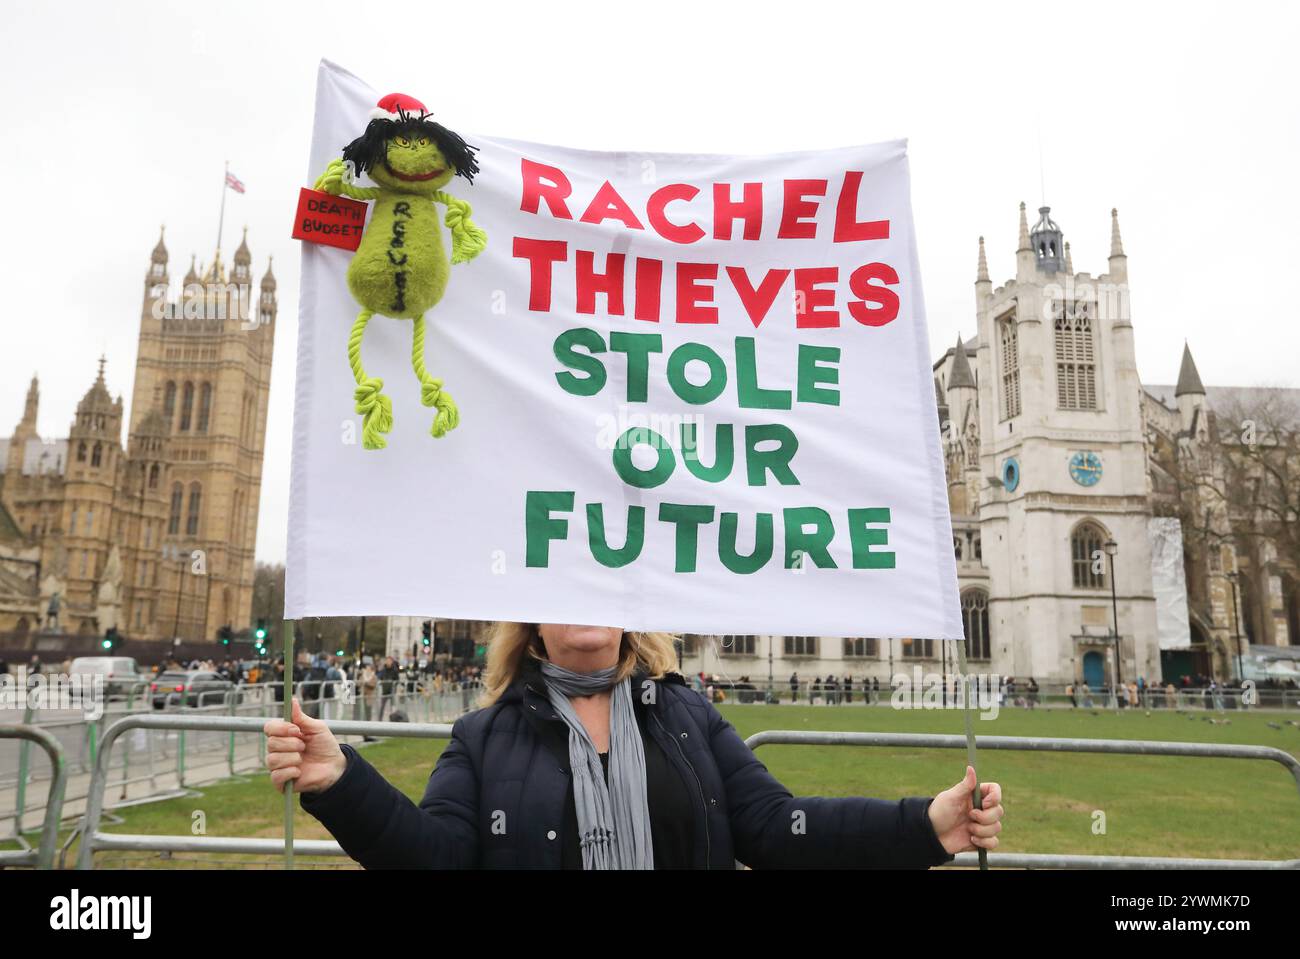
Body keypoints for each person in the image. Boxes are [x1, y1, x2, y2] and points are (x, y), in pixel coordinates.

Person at [265, 624, 1003, 869]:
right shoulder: (483, 736)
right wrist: (342, 778)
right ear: (532, 618)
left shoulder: (683, 713)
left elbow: (779, 827)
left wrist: (924, 825)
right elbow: (438, 858)